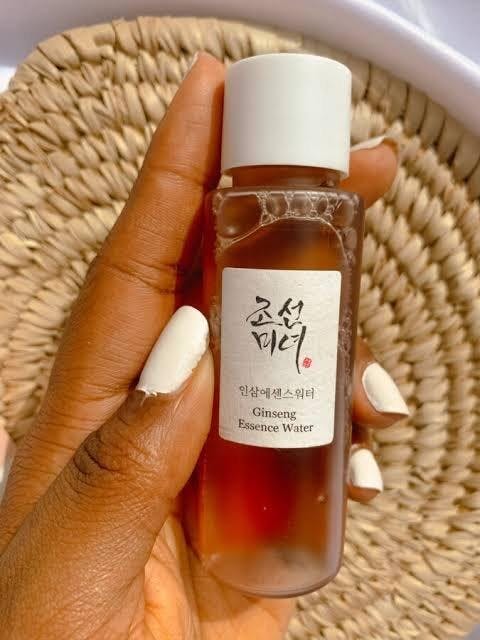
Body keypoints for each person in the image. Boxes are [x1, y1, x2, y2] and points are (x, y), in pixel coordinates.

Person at [0, 53, 408, 639]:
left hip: (195, 578)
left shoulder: (334, 211)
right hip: (186, 552)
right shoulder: (232, 209)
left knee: (321, 388)